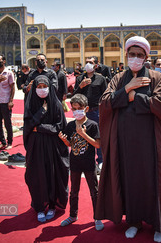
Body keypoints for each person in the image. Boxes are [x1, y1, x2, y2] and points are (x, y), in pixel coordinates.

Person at [95, 36, 161, 242]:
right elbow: (105, 102)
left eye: (139, 55)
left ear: (146, 57)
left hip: (150, 143)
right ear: (126, 55)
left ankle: (159, 225)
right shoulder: (118, 79)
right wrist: (127, 89)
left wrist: (135, 98)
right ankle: (134, 221)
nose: (135, 58)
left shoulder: (156, 77)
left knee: (153, 181)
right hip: (125, 142)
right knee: (130, 181)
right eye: (132, 54)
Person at [23, 75, 69, 223]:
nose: (42, 90)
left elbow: (59, 127)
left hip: (53, 147)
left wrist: (40, 127)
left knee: (53, 175)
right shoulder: (31, 105)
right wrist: (41, 112)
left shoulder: (56, 104)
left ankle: (52, 206)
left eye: (44, 87)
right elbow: (28, 126)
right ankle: (39, 207)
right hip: (36, 148)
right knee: (37, 176)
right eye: (39, 87)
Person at [58, 94, 103, 230]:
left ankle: (97, 217)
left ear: (86, 108)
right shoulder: (71, 125)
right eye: (74, 108)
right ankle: (73, 215)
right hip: (75, 163)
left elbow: (97, 145)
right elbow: (72, 144)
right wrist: (64, 140)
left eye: (80, 108)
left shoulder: (92, 125)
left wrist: (83, 134)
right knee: (74, 191)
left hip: (89, 164)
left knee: (94, 191)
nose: (77, 111)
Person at [73, 57, 107, 170]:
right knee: (81, 135)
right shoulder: (80, 79)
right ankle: (84, 160)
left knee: (97, 136)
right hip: (82, 113)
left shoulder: (101, 79)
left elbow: (105, 96)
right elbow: (74, 95)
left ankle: (101, 160)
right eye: (86, 62)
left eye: (91, 62)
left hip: (96, 111)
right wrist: (80, 86)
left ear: (96, 65)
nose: (88, 64)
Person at [0, 55, 15, 149]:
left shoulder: (9, 73)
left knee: (7, 123)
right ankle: (2, 142)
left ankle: (10, 142)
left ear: (4, 61)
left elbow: (12, 87)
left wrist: (11, 101)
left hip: (5, 101)